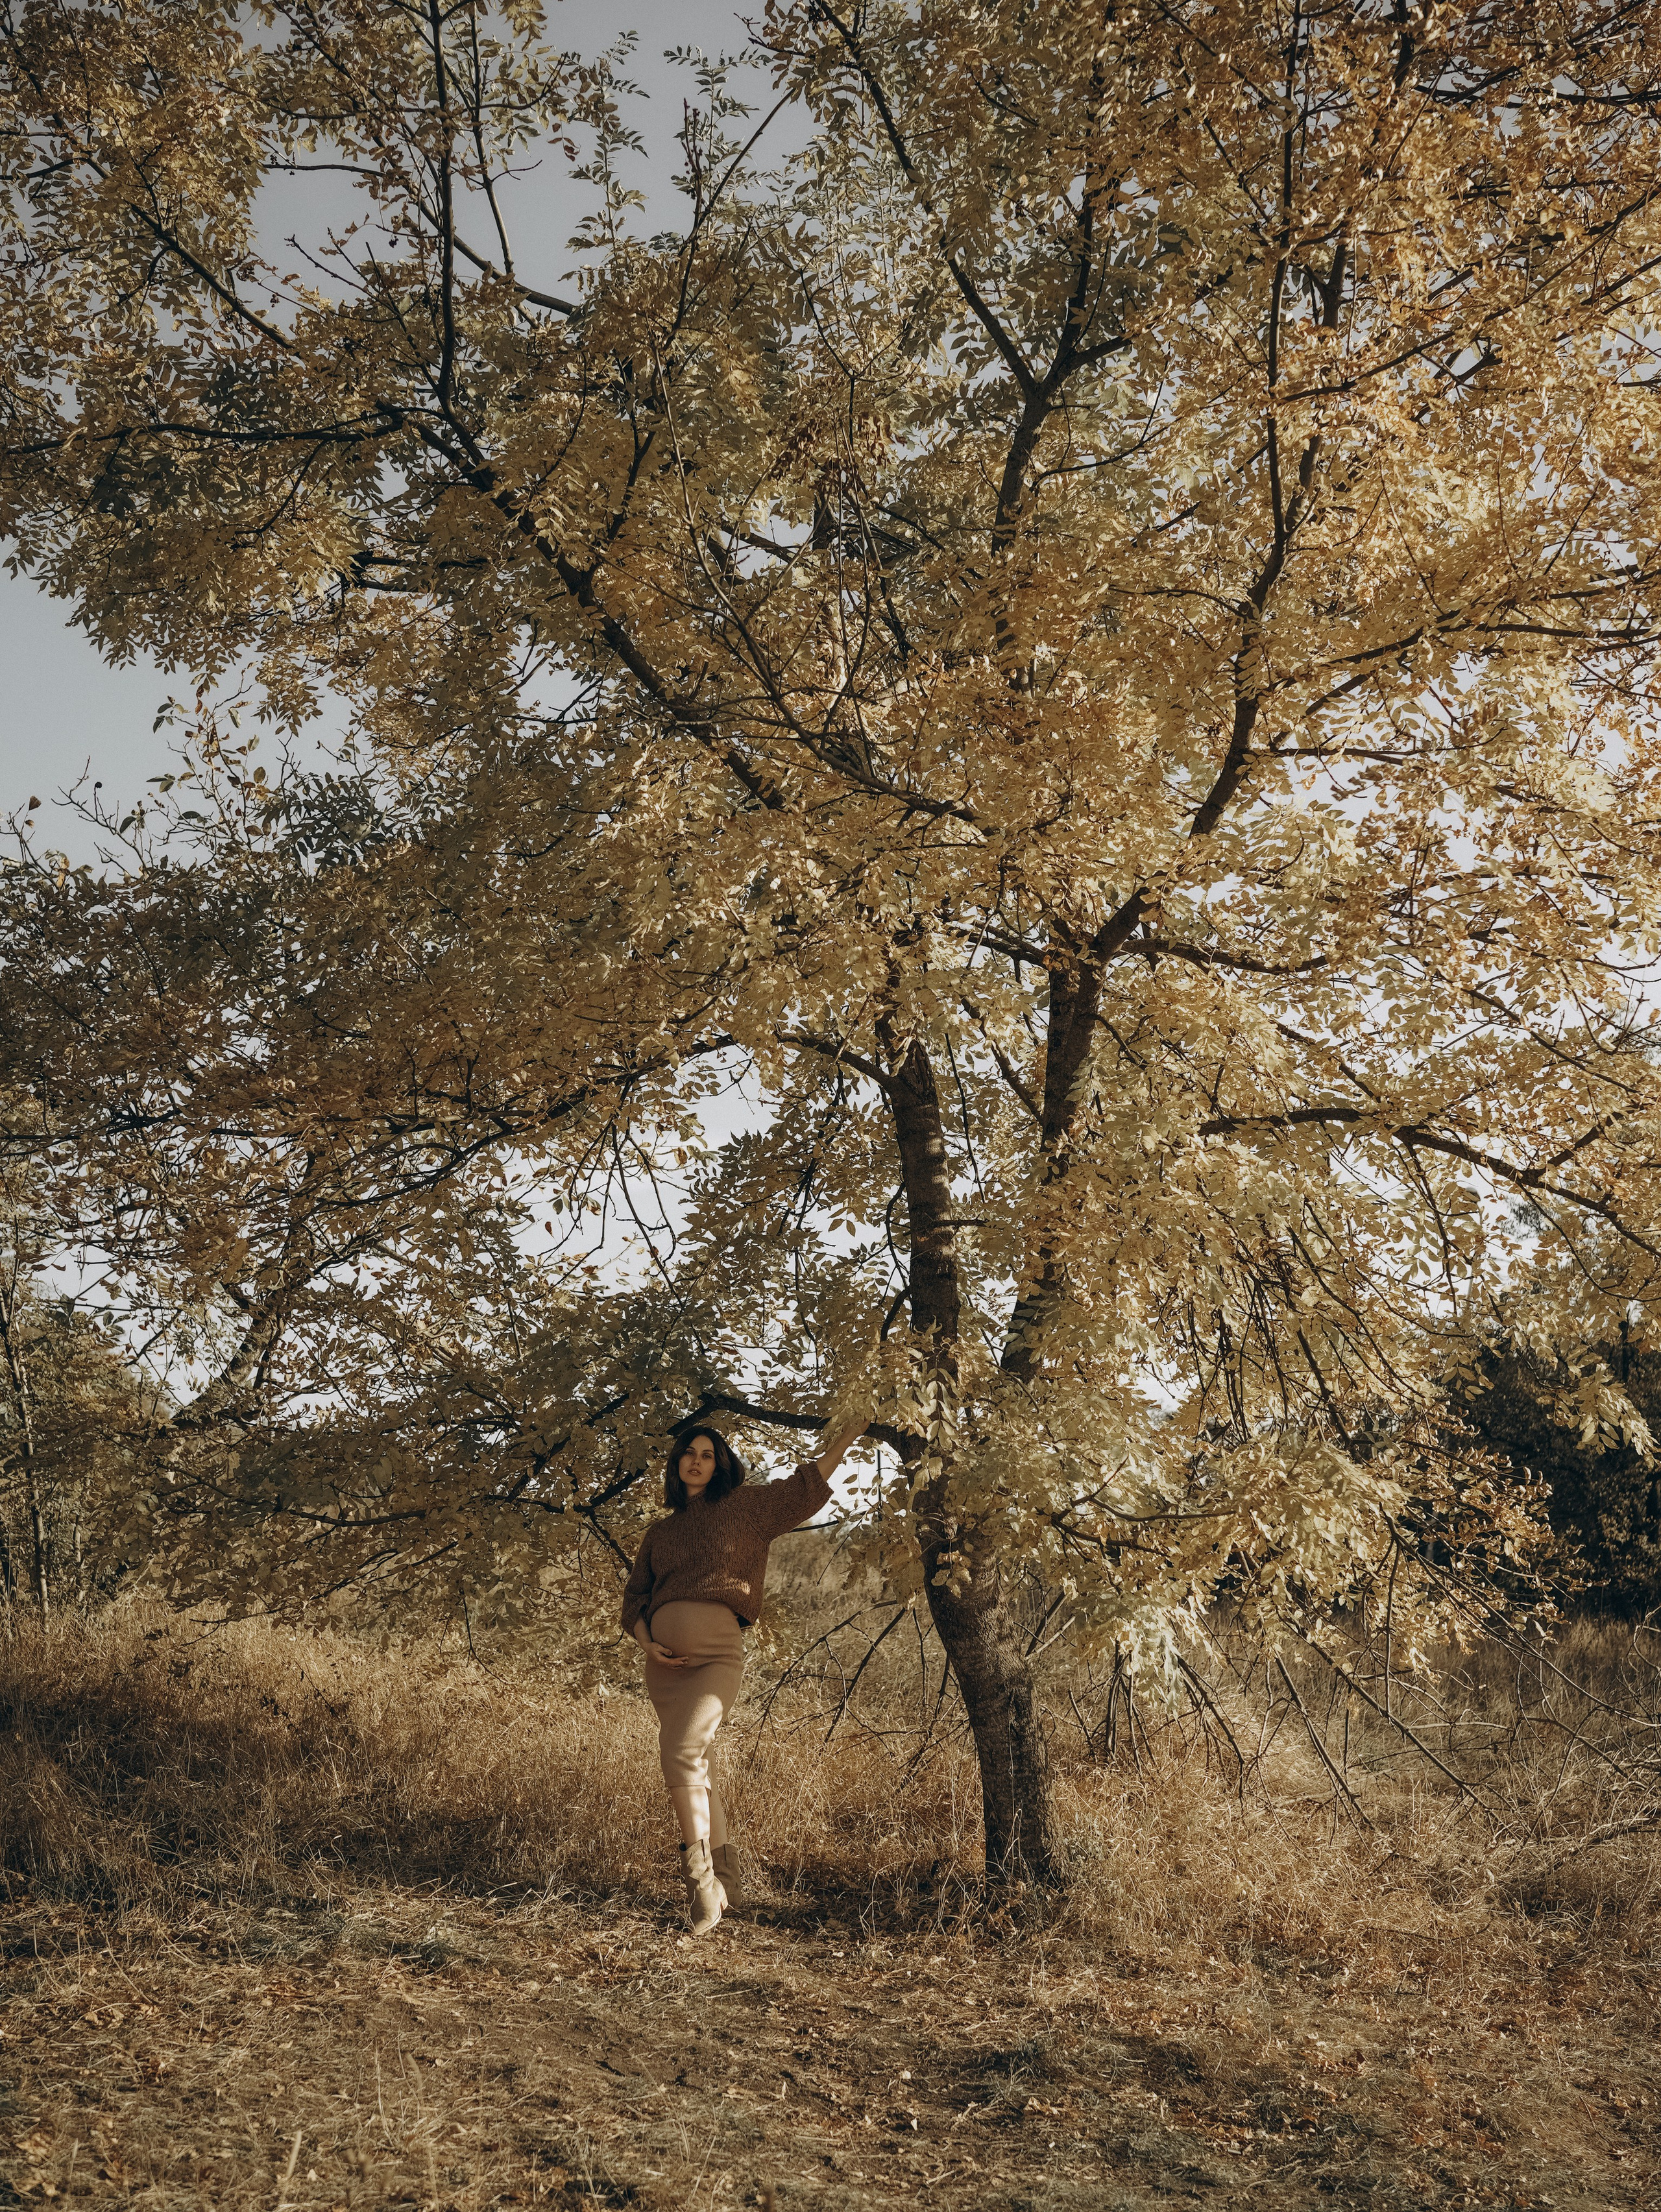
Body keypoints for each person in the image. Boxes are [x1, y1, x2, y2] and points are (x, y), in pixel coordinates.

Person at [622, 1415, 865, 1934]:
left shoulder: (746, 1508)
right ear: (676, 1462)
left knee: (683, 1754)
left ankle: (701, 1885)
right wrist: (648, 1644)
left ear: (722, 1465)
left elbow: (807, 1485)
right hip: (664, 1666)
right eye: (690, 1451)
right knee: (697, 1768)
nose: (697, 1461)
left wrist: (848, 1435)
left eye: (708, 1454)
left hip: (716, 1657)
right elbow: (635, 1599)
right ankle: (728, 1880)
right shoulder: (660, 1533)